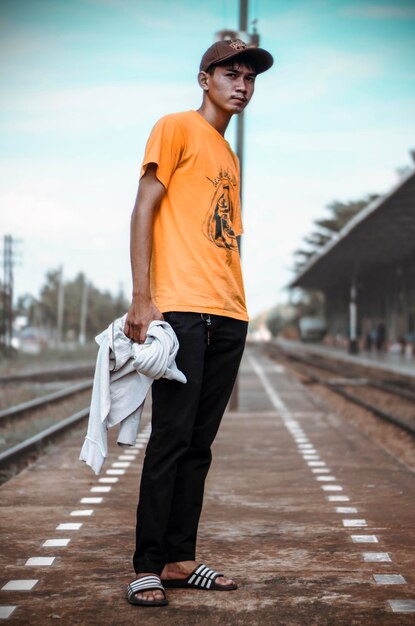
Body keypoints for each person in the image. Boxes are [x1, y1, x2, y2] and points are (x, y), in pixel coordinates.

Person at [124, 38, 273, 607]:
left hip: (229, 311)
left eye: (250, 78)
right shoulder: (176, 128)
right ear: (203, 79)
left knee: (200, 444)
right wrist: (143, 297)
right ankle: (146, 564)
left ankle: (180, 560)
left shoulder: (228, 155)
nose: (242, 85)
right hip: (183, 309)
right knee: (170, 437)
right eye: (231, 74)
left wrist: (238, 306)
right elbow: (144, 207)